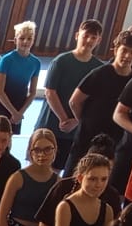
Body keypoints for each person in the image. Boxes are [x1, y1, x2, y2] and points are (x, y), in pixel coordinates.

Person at [67, 29, 132, 176]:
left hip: (115, 139)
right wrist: (84, 121)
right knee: (75, 176)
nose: (127, 56)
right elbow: (74, 101)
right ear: (116, 49)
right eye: (124, 50)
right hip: (88, 137)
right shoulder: (100, 73)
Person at [40, 19, 104, 164]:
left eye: (93, 37)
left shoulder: (99, 68)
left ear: (98, 40)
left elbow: (95, 101)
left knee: (66, 168)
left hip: (77, 129)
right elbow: (50, 92)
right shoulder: (61, 61)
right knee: (42, 165)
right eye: (85, 36)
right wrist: (63, 119)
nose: (88, 40)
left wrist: (76, 121)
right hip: (52, 123)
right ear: (77, 36)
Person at [0, 20, 42, 129]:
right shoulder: (6, 60)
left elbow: (33, 92)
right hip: (4, 103)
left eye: (29, 38)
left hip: (20, 104)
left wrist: (20, 112)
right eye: (22, 38)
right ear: (15, 40)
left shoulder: (36, 63)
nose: (25, 41)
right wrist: (13, 112)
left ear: (33, 40)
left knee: (11, 135)